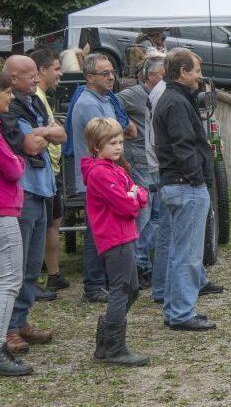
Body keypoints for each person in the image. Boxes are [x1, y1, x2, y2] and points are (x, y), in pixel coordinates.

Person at [0, 56, 64, 355]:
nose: (37, 79)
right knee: (15, 266)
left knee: (31, 265)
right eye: (29, 75)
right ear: (12, 78)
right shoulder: (9, 108)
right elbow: (29, 146)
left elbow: (60, 135)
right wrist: (45, 132)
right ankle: (8, 330)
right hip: (21, 194)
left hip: (42, 190)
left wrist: (41, 132)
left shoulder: (35, 102)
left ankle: (21, 320)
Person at [152, 48, 217, 331]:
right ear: (183, 72)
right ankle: (180, 312)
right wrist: (197, 178)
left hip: (176, 183)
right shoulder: (176, 102)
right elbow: (183, 145)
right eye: (197, 71)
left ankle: (174, 308)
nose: (200, 77)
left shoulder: (174, 98)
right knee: (188, 255)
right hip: (185, 184)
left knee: (178, 252)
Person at [65, 53, 136, 303]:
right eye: (104, 73)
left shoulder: (105, 99)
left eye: (112, 72)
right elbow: (105, 140)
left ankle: (101, 280)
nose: (111, 77)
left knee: (103, 228)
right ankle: (93, 285)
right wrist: (125, 168)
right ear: (89, 77)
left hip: (108, 173)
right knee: (97, 231)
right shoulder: (89, 103)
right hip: (96, 177)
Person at [81, 118, 150, 366]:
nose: (118, 147)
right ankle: (114, 347)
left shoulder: (117, 169)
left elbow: (141, 192)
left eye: (120, 142)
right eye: (112, 143)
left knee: (131, 289)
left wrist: (134, 195)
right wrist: (133, 197)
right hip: (114, 237)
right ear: (96, 146)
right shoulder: (100, 173)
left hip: (125, 235)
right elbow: (126, 205)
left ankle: (106, 337)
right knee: (121, 289)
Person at [117, 56, 166, 286]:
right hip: (139, 159)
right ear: (150, 76)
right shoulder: (132, 94)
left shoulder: (164, 94)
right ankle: (137, 264)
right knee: (143, 213)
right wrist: (126, 126)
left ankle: (143, 261)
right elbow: (111, 106)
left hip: (157, 160)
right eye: (161, 75)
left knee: (157, 214)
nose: (165, 79)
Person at [0, 72, 32, 376]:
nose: (10, 97)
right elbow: (12, 167)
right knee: (9, 280)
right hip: (3, 210)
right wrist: (19, 160)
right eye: (7, 92)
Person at [29, 49, 66, 296]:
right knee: (48, 226)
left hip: (51, 168)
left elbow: (57, 132)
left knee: (52, 224)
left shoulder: (42, 97)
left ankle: (52, 273)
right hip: (45, 170)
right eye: (55, 68)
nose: (60, 74)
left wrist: (53, 130)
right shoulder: (37, 98)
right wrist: (52, 131)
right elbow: (42, 135)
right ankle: (49, 275)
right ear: (41, 70)